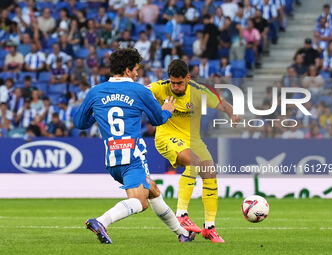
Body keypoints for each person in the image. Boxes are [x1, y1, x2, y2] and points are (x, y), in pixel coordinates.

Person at [73, 48, 195, 244]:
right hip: (133, 156)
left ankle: (183, 234)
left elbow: (79, 123)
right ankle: (102, 221)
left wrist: (98, 114)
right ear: (128, 70)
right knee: (141, 202)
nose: (138, 73)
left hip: (112, 159)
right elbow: (157, 120)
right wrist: (168, 111)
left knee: (153, 189)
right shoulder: (139, 90)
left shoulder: (95, 91)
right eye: (136, 69)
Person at [148, 59, 240, 243]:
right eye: (172, 82)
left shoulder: (199, 91)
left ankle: (209, 227)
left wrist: (232, 114)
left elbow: (222, 104)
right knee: (194, 161)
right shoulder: (159, 87)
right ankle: (181, 214)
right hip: (167, 136)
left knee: (210, 174)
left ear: (188, 78)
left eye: (179, 83)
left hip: (193, 139)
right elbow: (139, 92)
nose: (175, 87)